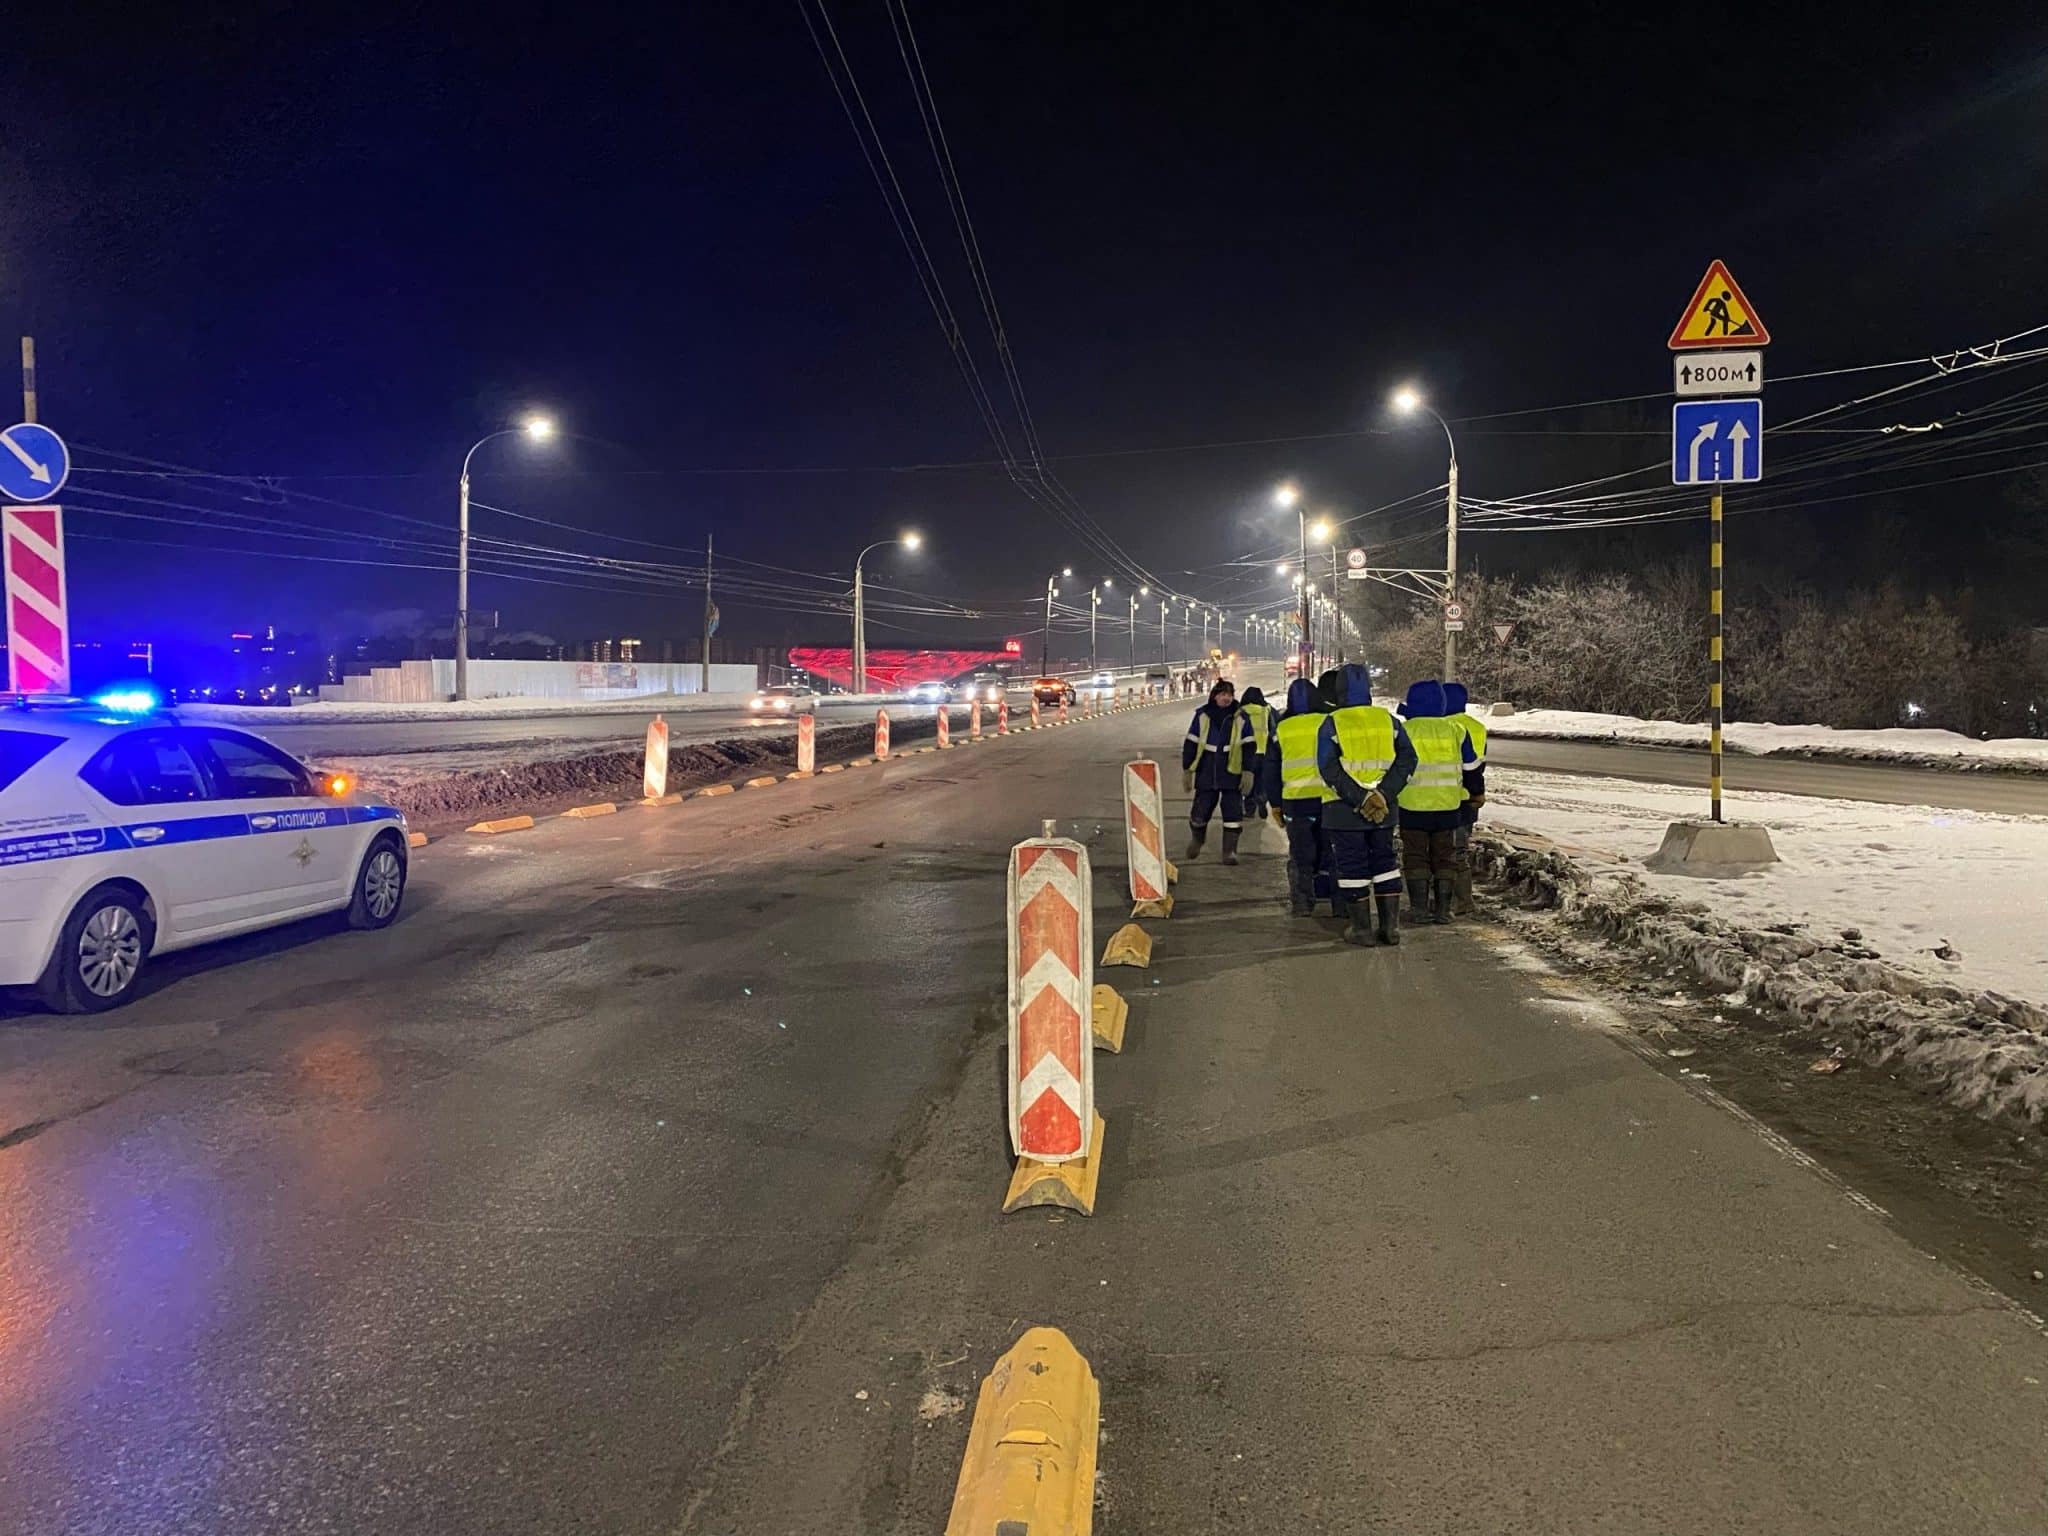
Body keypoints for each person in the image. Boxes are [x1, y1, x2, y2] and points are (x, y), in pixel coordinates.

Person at [1315, 663, 1416, 945]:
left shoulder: (1333, 722)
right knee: (1385, 861)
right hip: (1384, 810)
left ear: (1339, 692)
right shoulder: (1389, 720)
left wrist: (1361, 798)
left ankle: (1361, 929)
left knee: (1352, 866)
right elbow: (1409, 759)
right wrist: (1383, 795)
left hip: (1343, 810)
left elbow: (1327, 767)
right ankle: (1390, 928)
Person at [1394, 680, 1479, 923]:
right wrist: (1476, 793)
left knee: (1415, 856)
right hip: (1448, 807)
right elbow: (1471, 768)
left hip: (1412, 806)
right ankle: (1444, 910)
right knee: (1445, 856)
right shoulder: (1456, 730)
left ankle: (1419, 910)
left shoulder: (1405, 730)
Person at [1262, 676, 1333, 916]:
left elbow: (1270, 769)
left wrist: (1275, 804)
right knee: (1328, 850)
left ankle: (1302, 902)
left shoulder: (1281, 729)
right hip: (1329, 800)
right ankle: (1332, 899)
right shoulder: (1329, 722)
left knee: (1301, 854)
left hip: (1296, 803)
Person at [1181, 677, 1256, 864]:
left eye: (1230, 694)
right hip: (1207, 767)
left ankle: (1229, 851)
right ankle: (1198, 839)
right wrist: (1187, 769)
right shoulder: (1202, 715)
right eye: (1223, 694)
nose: (1227, 698)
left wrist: (1248, 771)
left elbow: (1249, 746)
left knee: (1233, 813)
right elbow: (1191, 743)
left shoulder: (1241, 717)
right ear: (1214, 696)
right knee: (1200, 810)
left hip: (1232, 769)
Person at [1442, 681, 1488, 913]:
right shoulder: (1477, 727)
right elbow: (1480, 763)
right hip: (1471, 797)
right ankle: (1464, 899)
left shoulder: (1444, 726)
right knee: (1461, 849)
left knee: (1444, 850)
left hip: (1446, 796)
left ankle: (1451, 900)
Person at [1238, 685, 1274, 821]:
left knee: (1249, 781)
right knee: (1262, 780)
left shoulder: (1241, 712)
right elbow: (1273, 729)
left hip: (1248, 752)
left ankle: (1250, 809)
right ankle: (1262, 799)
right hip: (1264, 752)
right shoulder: (1267, 710)